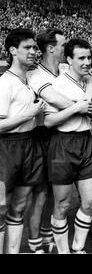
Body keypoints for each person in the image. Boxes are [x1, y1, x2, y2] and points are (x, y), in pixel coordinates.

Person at [25, 29, 92, 253]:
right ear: (52, 48)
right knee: (43, 194)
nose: (66, 46)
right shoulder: (36, 74)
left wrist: (87, 103)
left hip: (79, 138)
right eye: (63, 43)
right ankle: (37, 242)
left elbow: (91, 78)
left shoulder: (66, 67)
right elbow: (55, 102)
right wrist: (83, 108)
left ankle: (65, 243)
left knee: (87, 200)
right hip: (44, 138)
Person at [43, 38, 92, 254]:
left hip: (85, 142)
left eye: (88, 57)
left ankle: (78, 247)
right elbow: (48, 121)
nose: (86, 62)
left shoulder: (88, 81)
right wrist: (77, 108)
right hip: (63, 145)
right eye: (81, 58)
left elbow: (90, 106)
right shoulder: (59, 85)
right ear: (69, 59)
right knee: (63, 204)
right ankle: (64, 251)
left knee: (91, 201)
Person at [0, 28, 46, 254]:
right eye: (27, 48)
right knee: (0, 208)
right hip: (6, 148)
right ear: (12, 51)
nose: (33, 52)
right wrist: (28, 115)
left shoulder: (28, 80)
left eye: (35, 48)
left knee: (19, 206)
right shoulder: (4, 83)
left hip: (30, 145)